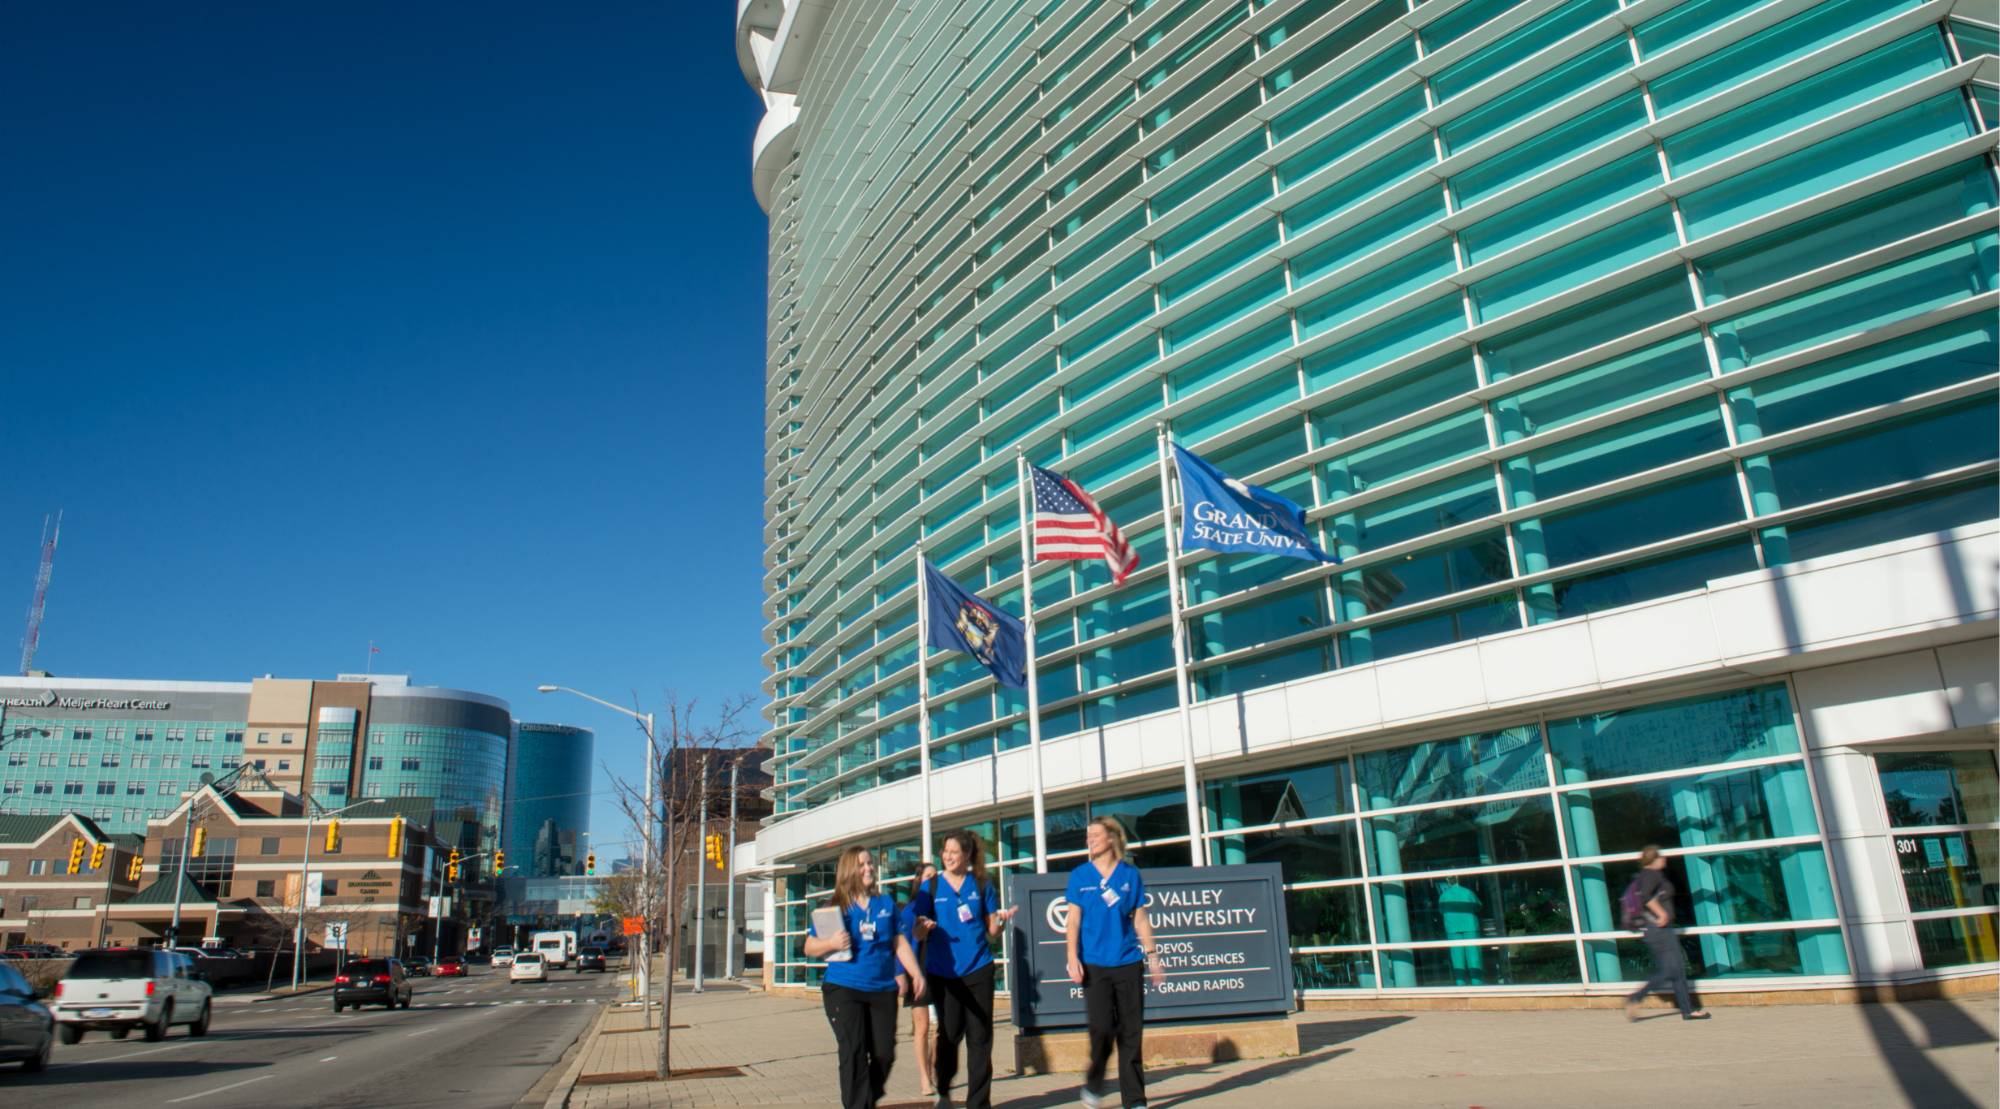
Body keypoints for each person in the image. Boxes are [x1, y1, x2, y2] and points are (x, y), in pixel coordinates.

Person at [804, 844, 928, 1108]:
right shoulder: (835, 907)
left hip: (882, 988)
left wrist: (915, 973)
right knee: (854, 1052)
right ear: (850, 870)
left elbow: (899, 941)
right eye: (862, 864)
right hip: (844, 987)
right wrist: (832, 943)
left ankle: (865, 1100)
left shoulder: (885, 903)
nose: (869, 868)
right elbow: (810, 946)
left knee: (885, 1053)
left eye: (870, 863)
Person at [910, 829, 1016, 1109]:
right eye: (945, 852)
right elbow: (917, 932)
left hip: (978, 969)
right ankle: (943, 1091)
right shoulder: (930, 887)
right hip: (943, 974)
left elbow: (992, 931)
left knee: (980, 1039)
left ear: (967, 855)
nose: (948, 857)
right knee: (949, 1034)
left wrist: (1002, 920)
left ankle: (978, 1103)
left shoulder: (981, 884)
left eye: (954, 852)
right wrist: (924, 928)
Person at [1065, 816, 1164, 1109]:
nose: (1089, 840)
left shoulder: (1130, 876)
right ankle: (1094, 1081)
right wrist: (1071, 956)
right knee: (1102, 1029)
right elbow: (1072, 921)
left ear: (1111, 838)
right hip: (1094, 964)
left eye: (1095, 835)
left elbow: (1141, 919)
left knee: (1131, 1033)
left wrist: (1154, 957)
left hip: (1128, 962)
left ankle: (1135, 1100)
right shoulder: (1080, 876)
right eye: (1087, 836)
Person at [1622, 845, 1711, 1022]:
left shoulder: (1644, 876)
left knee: (1676, 971)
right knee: (1671, 970)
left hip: (1655, 930)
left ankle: (1687, 1011)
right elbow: (1646, 897)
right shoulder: (1651, 875)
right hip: (1659, 929)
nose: (1664, 859)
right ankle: (1636, 997)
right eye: (1661, 857)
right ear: (1654, 859)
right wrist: (1662, 913)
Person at [897, 861, 940, 1098]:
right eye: (928, 877)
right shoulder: (910, 910)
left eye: (936, 877)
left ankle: (934, 1066)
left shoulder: (944, 906)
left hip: (942, 971)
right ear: (919, 881)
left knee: (944, 1028)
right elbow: (901, 944)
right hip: (919, 971)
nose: (933, 881)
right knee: (922, 1027)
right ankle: (924, 1078)